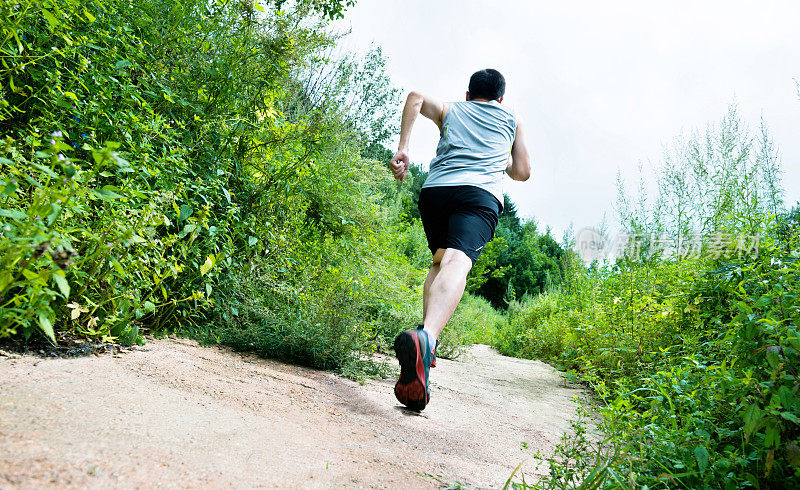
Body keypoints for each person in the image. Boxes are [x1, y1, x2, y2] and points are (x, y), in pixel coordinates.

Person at [389, 68, 531, 411]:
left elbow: (415, 98)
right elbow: (523, 171)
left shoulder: (453, 108)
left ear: (469, 94)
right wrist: (502, 157)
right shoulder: (511, 118)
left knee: (440, 261)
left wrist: (404, 149)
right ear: (500, 98)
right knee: (458, 261)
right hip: (477, 195)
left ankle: (425, 346)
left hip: (436, 191)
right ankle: (428, 338)